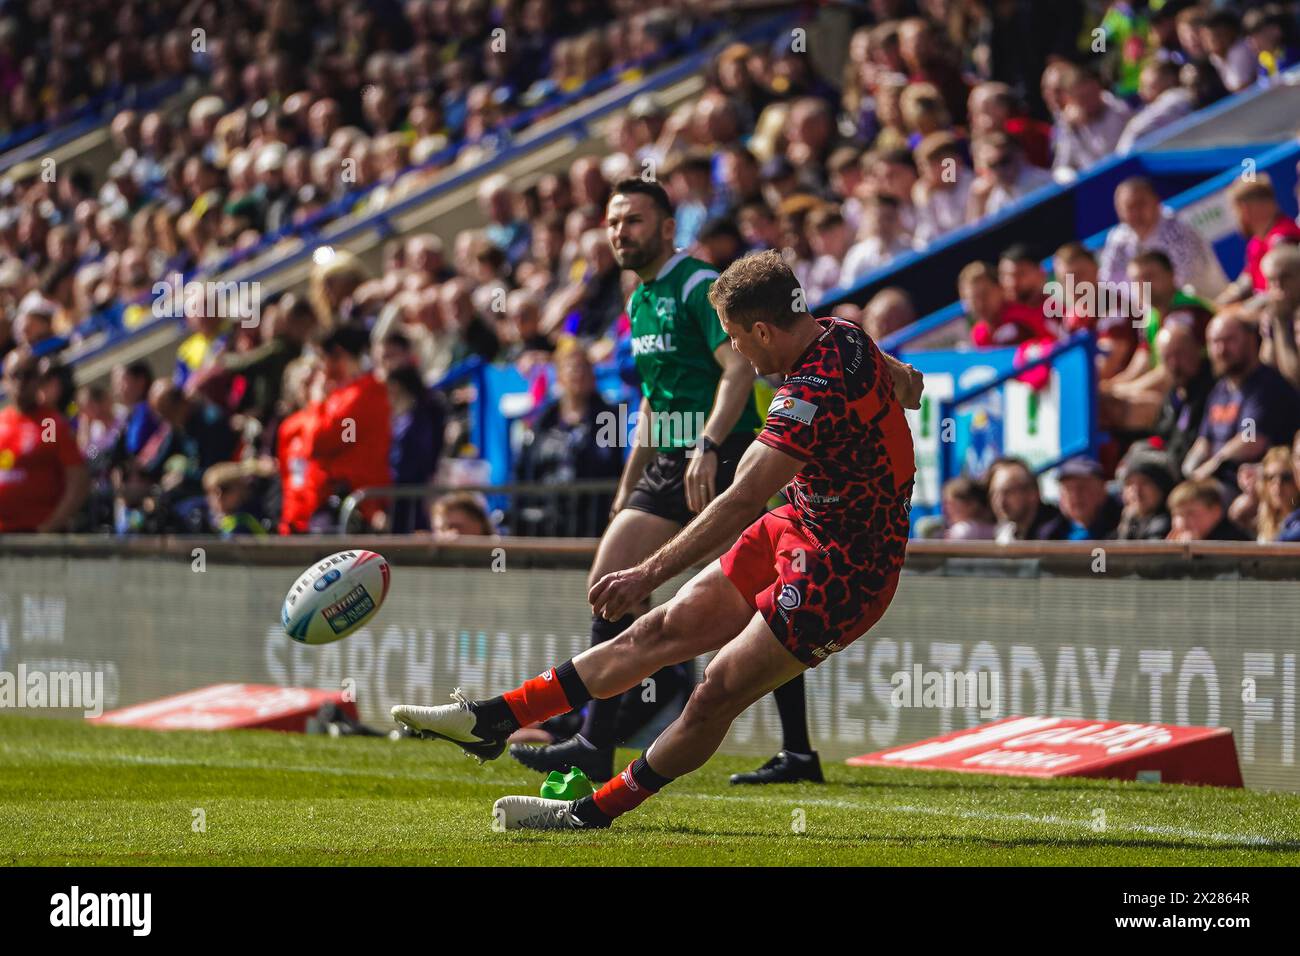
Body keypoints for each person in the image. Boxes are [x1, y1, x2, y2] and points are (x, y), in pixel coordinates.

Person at [391, 250, 918, 831]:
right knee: (656, 630)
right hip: (798, 525)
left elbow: (740, 501)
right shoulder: (846, 333)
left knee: (714, 691)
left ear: (764, 330)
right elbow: (909, 384)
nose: (736, 354)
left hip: (846, 570)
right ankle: (493, 719)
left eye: (737, 340)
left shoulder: (805, 395)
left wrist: (648, 573)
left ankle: (588, 813)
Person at [0, 349, 88, 532]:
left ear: (39, 380)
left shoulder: (49, 424)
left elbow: (77, 479)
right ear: (5, 380)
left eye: (29, 375)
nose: (21, 382)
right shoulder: (2, 421)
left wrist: (51, 526)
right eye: (15, 375)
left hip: (37, 533)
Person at [1166, 478, 1251, 541]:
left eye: (1191, 513)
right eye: (1176, 515)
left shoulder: (1233, 541)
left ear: (1216, 511)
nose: (1182, 521)